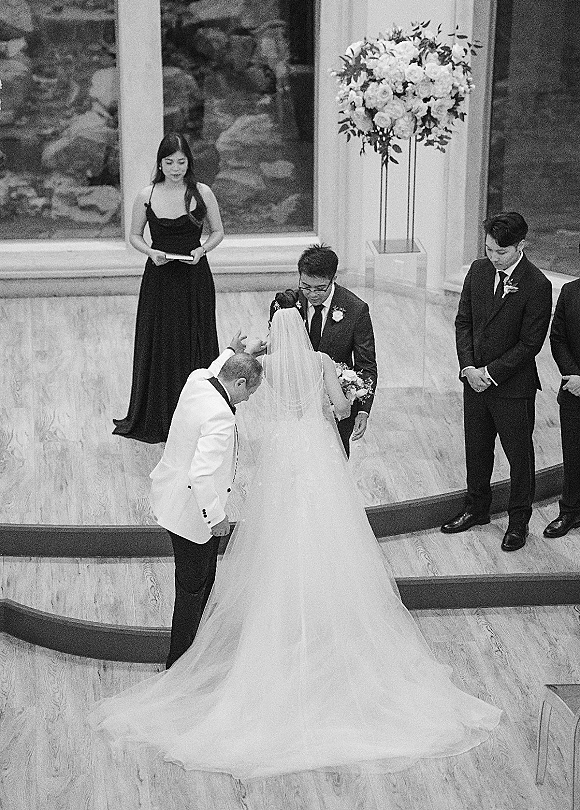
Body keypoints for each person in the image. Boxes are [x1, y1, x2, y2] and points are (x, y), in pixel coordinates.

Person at [90, 295, 501, 780]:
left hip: (281, 464)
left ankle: (252, 631)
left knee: (273, 544)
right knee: (328, 541)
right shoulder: (322, 360)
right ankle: (321, 622)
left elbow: (226, 370)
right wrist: (341, 392)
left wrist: (242, 351)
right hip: (316, 459)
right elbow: (342, 407)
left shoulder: (251, 369)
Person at [150, 332, 263, 669]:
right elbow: (200, 474)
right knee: (192, 590)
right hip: (192, 516)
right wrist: (215, 517)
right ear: (241, 383)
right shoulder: (220, 418)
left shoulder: (198, 380)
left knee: (201, 582)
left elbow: (216, 370)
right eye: (250, 393)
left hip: (169, 498)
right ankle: (180, 664)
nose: (247, 400)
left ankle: (196, 650)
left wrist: (233, 349)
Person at [441, 212, 552, 551]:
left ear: (521, 246)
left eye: (501, 252)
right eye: (489, 249)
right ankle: (477, 509)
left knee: (520, 458)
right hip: (473, 381)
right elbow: (464, 322)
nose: (493, 257)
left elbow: (530, 343)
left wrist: (490, 374)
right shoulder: (478, 270)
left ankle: (519, 523)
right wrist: (469, 367)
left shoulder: (537, 285)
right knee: (476, 450)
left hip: (512, 388)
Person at [113, 132, 224, 443]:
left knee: (196, 338)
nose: (175, 168)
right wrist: (151, 252)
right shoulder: (146, 195)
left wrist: (202, 250)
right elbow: (134, 236)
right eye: (169, 162)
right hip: (160, 277)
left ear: (188, 162)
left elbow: (217, 231)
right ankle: (160, 414)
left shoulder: (203, 192)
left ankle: (199, 417)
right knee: (161, 340)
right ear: (160, 164)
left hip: (194, 276)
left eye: (181, 162)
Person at [280, 243, 377, 457]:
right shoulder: (288, 304)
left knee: (334, 463)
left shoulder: (355, 309)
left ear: (333, 279)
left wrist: (363, 409)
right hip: (295, 401)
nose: (312, 294)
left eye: (319, 288)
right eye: (305, 286)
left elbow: (366, 365)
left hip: (336, 404)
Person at [544, 247, 580, 538]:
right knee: (573, 453)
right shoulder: (569, 292)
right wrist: (574, 375)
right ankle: (570, 511)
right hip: (573, 391)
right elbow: (558, 339)